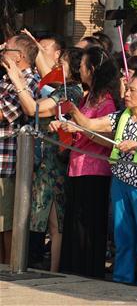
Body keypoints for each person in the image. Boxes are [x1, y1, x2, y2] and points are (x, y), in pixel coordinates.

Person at [69, 70, 137, 287]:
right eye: (127, 89)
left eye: (132, 90)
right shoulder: (120, 116)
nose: (126, 93)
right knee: (123, 237)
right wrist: (72, 111)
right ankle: (122, 283)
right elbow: (90, 125)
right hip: (120, 185)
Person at [4, 47, 83, 272]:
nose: (59, 66)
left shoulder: (72, 92)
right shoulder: (59, 88)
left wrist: (17, 81)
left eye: (64, 62)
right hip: (43, 160)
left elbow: (33, 109)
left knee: (55, 221)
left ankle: (54, 271)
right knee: (45, 219)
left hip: (55, 163)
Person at [52, 47, 119, 278]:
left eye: (82, 66)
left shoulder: (107, 102)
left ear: (92, 69)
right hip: (77, 165)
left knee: (89, 225)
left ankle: (88, 271)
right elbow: (80, 128)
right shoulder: (88, 96)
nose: (79, 69)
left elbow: (102, 136)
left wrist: (74, 116)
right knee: (74, 222)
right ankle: (73, 268)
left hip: (95, 169)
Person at [0, 33, 41, 264]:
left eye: (7, 49)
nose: (3, 51)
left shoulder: (29, 81)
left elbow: (5, 114)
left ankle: (8, 269)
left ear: (19, 57)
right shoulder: (7, 77)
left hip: (7, 163)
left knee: (6, 225)